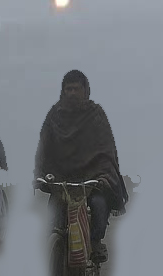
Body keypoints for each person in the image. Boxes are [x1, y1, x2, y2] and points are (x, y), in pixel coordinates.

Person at [33, 69, 128, 264]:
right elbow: (44, 147)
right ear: (63, 91)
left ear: (85, 90)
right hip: (62, 179)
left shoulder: (96, 114)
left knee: (99, 206)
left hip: (92, 178)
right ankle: (57, 264)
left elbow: (106, 149)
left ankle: (95, 242)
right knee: (54, 219)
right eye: (68, 89)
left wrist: (103, 176)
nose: (72, 93)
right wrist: (40, 173)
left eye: (76, 89)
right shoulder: (54, 116)